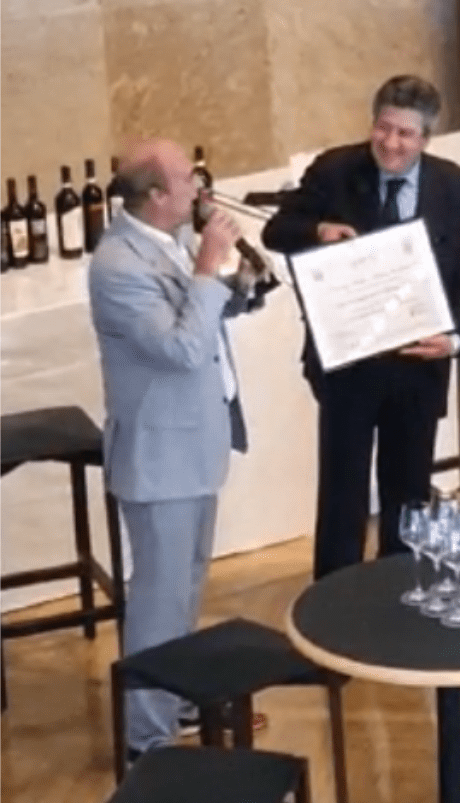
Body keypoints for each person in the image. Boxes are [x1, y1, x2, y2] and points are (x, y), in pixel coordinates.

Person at [262, 75, 460, 579]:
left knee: (409, 496)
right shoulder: (335, 170)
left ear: (427, 139)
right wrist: (318, 230)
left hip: (418, 365)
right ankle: (332, 603)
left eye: (406, 134)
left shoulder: (453, 185)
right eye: (383, 128)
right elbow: (277, 230)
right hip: (350, 366)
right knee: (343, 496)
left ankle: (398, 598)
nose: (391, 143)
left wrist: (455, 338)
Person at [88, 139, 265, 757]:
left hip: (195, 443)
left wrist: (238, 284)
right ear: (158, 195)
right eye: (189, 178)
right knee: (159, 601)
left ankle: (179, 695)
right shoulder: (117, 266)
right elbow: (181, 348)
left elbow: (200, 315)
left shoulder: (172, 239)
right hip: (159, 457)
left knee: (186, 587)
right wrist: (208, 266)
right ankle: (148, 738)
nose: (200, 186)